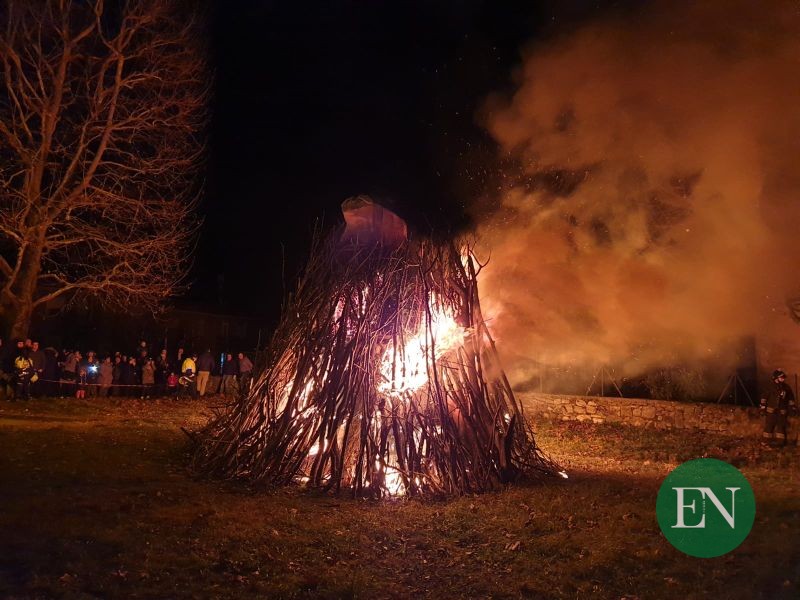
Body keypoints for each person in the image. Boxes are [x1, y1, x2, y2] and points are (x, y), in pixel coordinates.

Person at [760, 369, 797, 447]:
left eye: (783, 377)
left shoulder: (786, 387)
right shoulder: (769, 387)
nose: (783, 379)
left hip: (782, 412)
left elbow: (791, 399)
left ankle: (780, 443)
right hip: (771, 411)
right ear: (776, 378)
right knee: (769, 427)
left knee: (781, 428)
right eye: (781, 377)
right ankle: (765, 443)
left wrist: (793, 408)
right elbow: (764, 398)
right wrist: (762, 409)